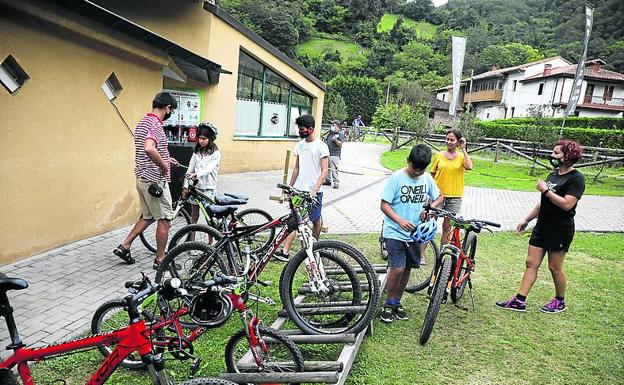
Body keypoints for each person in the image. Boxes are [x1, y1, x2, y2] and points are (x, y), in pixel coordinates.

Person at [496, 140, 585, 314]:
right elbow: (542, 204)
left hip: (560, 229)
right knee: (531, 263)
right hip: (541, 226)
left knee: (554, 267)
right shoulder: (552, 175)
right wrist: (526, 220)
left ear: (568, 156)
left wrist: (545, 191)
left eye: (557, 153)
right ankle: (519, 300)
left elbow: (567, 204)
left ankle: (560, 301)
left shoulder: (576, 178)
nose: (552, 156)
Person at [113, 91, 180, 269]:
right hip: (154, 182)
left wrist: (167, 159)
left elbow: (149, 149)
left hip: (142, 179)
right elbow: (149, 148)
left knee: (148, 216)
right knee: (165, 220)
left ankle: (124, 246)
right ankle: (160, 260)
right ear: (167, 108)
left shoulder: (143, 122)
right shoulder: (156, 125)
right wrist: (164, 167)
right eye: (170, 111)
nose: (170, 114)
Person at [379, 144, 443, 323]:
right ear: (408, 161)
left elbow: (440, 196)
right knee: (397, 268)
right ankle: (388, 303)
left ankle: (397, 301)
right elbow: (384, 205)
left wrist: (430, 208)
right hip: (394, 232)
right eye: (415, 168)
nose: (417, 173)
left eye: (421, 170)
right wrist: (399, 220)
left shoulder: (427, 179)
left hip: (416, 233)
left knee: (407, 268)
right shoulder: (397, 178)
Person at [274, 115, 329, 261]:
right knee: (294, 220)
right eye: (299, 129)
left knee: (316, 220)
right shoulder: (300, 145)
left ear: (311, 129)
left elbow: (324, 170)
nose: (300, 131)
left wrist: (314, 189)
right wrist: (290, 186)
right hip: (299, 190)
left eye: (302, 129)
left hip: (314, 192)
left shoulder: (321, 146)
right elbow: (297, 168)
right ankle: (285, 252)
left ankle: (314, 247)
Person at [430, 128, 473, 245]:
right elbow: (432, 175)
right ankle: (421, 254)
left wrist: (464, 149)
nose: (449, 142)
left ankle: (443, 254)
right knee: (430, 224)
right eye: (447, 139)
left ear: (458, 142)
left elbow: (469, 167)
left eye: (452, 140)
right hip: (437, 196)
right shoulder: (439, 155)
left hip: (454, 197)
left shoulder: (461, 157)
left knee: (447, 227)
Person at [181, 123, 221, 224]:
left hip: (209, 189)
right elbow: (189, 170)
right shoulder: (197, 152)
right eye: (199, 138)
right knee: (194, 216)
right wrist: (185, 186)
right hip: (196, 189)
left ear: (211, 139)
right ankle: (191, 238)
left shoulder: (216, 154)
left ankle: (211, 239)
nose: (201, 141)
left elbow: (209, 169)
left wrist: (196, 174)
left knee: (210, 218)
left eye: (204, 138)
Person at [323, 120, 344, 189]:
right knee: (327, 168)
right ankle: (328, 180)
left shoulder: (340, 133)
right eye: (332, 125)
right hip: (327, 153)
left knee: (334, 169)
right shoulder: (331, 133)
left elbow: (340, 144)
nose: (332, 126)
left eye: (334, 125)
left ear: (337, 126)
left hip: (334, 154)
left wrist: (335, 140)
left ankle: (336, 183)